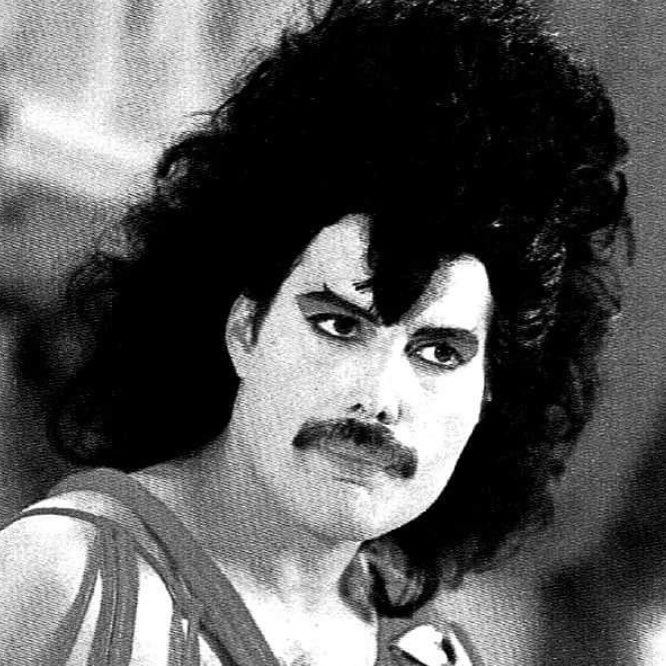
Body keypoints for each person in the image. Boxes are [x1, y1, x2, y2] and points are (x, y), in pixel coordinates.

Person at [0, 0, 630, 664]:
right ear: (245, 328)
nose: (380, 397)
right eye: (339, 325)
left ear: (489, 394)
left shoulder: (432, 655)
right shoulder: (58, 581)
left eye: (440, 352)